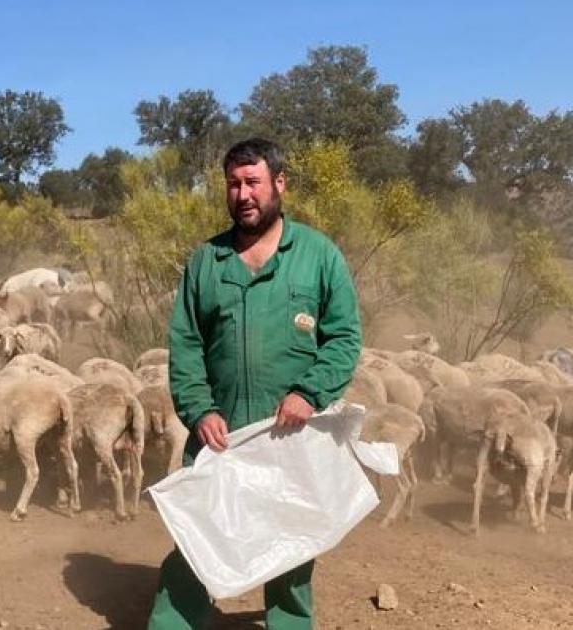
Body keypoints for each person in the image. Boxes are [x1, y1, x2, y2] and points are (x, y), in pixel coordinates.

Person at [147, 138, 362, 629]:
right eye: (233, 184)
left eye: (253, 183)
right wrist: (200, 410)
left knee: (291, 549)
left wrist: (309, 392)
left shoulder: (318, 255)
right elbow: (185, 345)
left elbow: (345, 337)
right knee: (197, 543)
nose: (242, 195)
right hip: (220, 435)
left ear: (278, 184)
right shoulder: (207, 261)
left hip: (290, 435)